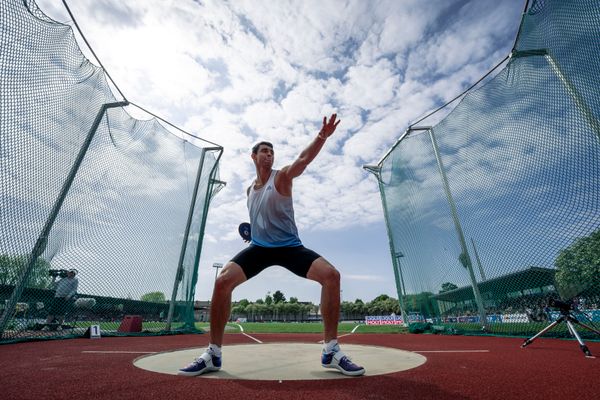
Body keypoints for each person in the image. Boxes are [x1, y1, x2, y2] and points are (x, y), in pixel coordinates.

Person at [179, 114, 365, 377]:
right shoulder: (249, 191)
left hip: (290, 247)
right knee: (222, 281)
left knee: (331, 276)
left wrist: (321, 136)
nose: (269, 155)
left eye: (272, 152)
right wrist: (254, 231)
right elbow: (261, 217)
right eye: (264, 151)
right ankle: (213, 354)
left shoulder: (282, 177)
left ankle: (331, 350)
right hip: (260, 247)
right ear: (253, 156)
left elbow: (303, 160)